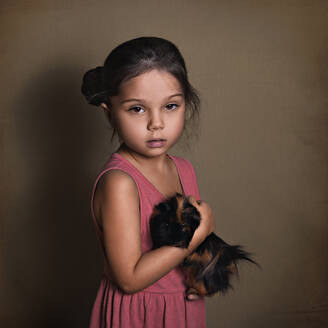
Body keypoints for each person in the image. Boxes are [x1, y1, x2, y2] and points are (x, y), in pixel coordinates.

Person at [81, 36, 215, 328]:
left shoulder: (184, 169)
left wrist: (203, 271)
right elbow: (129, 279)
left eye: (170, 106)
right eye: (137, 109)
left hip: (181, 309)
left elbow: (187, 253)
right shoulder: (120, 183)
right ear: (110, 113)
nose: (156, 123)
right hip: (138, 314)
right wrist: (196, 234)